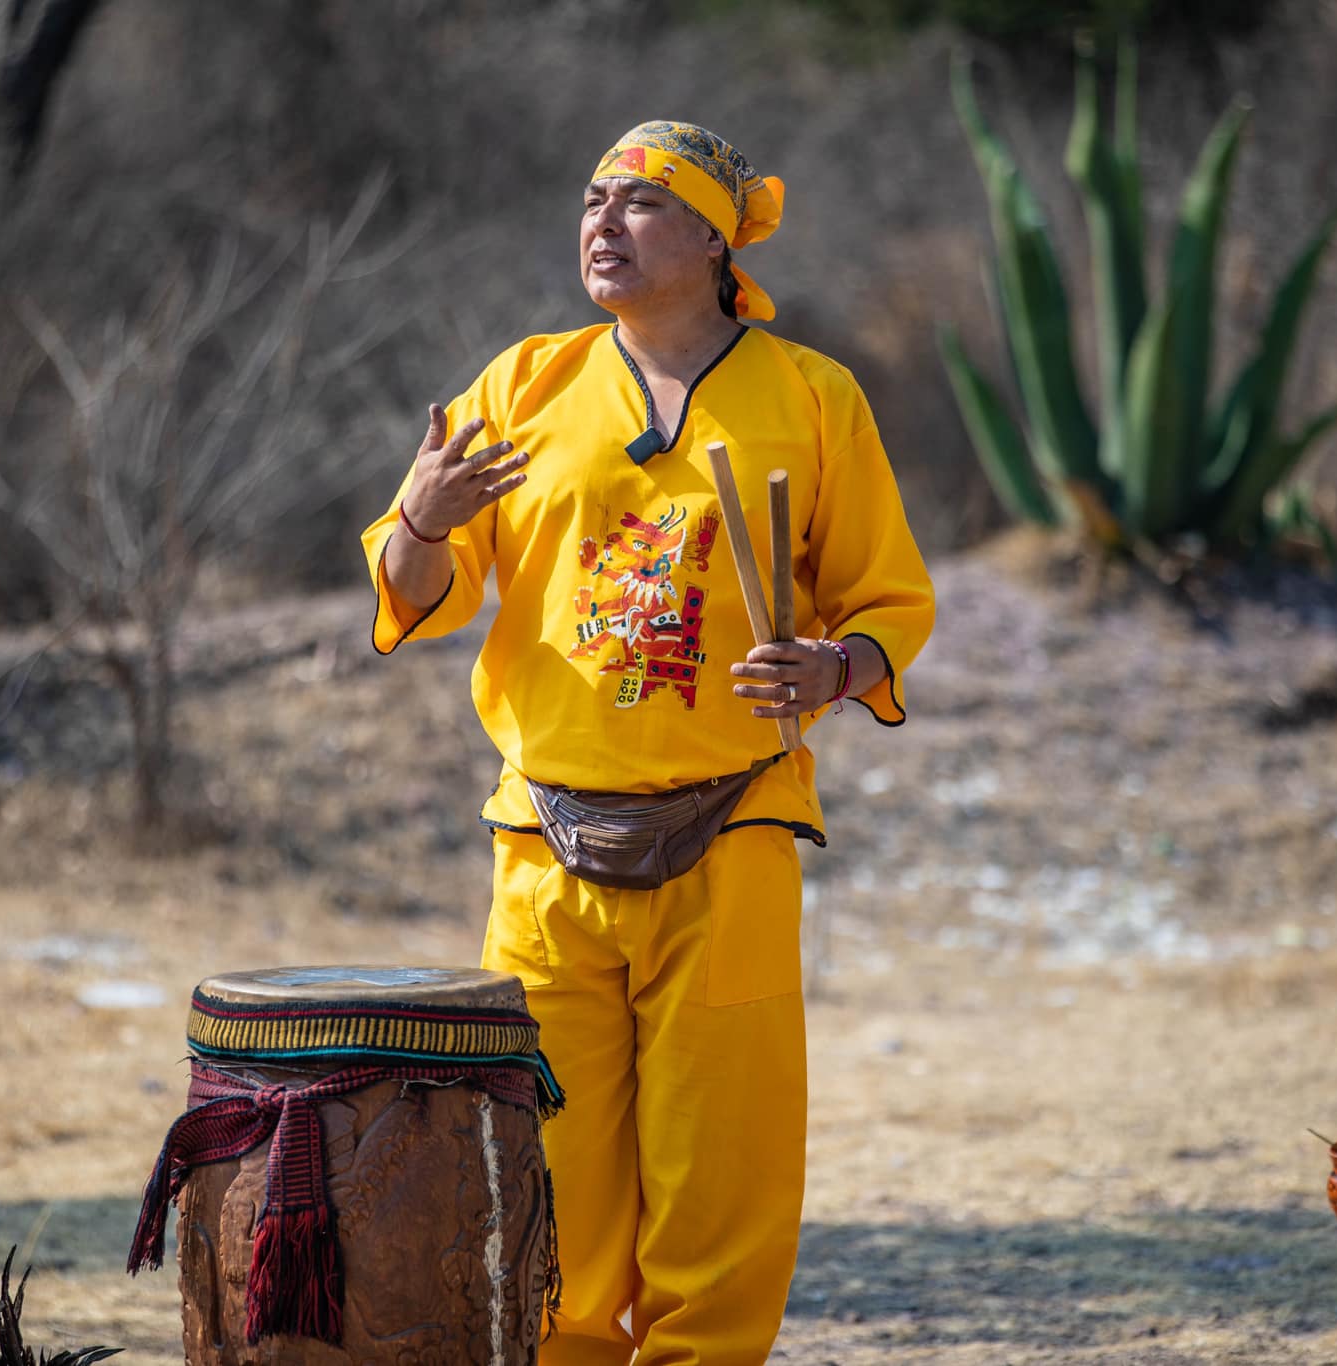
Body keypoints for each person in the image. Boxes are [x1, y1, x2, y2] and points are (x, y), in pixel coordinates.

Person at [360, 121, 934, 1363]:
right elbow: (417, 588)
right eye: (590, 200)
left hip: (729, 836)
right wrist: (419, 514)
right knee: (543, 1192)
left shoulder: (811, 396)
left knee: (717, 1193)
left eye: (639, 203)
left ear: (717, 239)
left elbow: (889, 607)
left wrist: (833, 667)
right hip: (543, 849)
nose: (602, 223)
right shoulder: (524, 385)